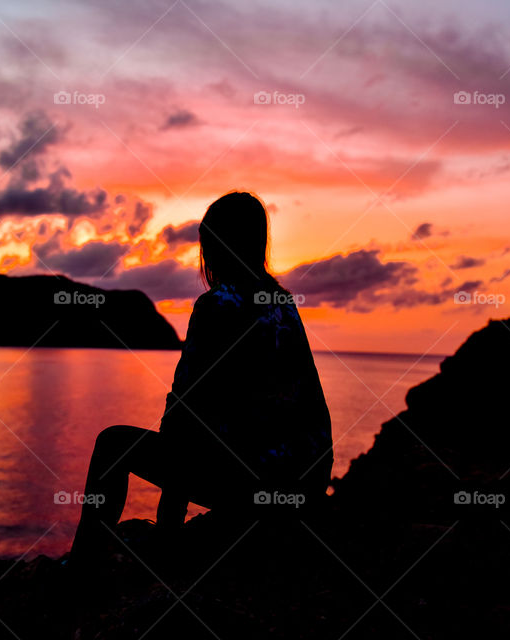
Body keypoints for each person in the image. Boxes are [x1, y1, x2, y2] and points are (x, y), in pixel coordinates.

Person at [70, 191, 333, 560]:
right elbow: (313, 406)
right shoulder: (284, 306)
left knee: (113, 445)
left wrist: (168, 529)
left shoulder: (216, 306)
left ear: (217, 248)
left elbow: (183, 415)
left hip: (248, 486)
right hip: (299, 486)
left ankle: (83, 561)